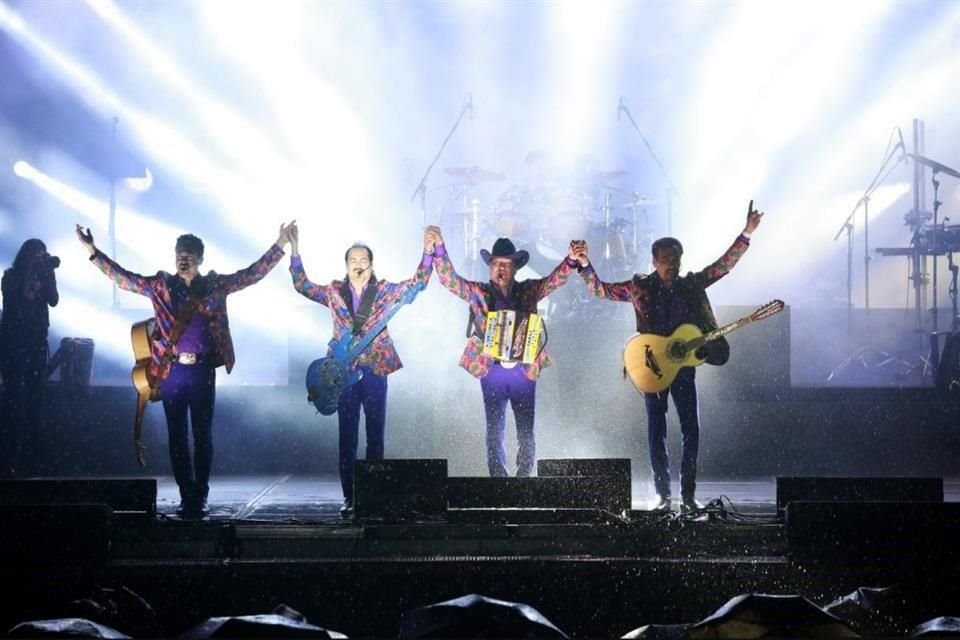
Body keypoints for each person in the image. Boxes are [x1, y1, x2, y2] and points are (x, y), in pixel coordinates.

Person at [76, 222, 294, 517]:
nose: (183, 259)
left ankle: (200, 493)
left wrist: (280, 244)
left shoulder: (215, 286)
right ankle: (185, 493)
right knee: (177, 435)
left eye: (189, 254)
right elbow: (123, 278)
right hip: (172, 373)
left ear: (200, 259)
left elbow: (251, 275)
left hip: (202, 371)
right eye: (179, 254)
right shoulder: (161, 286)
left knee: (203, 435)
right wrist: (91, 249)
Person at [573, 202, 764, 512]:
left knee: (691, 430)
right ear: (654, 261)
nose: (670, 265)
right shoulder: (639, 287)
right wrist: (583, 264)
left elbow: (722, 267)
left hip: (684, 369)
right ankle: (663, 495)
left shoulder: (690, 285)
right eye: (665, 260)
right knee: (656, 430)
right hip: (652, 369)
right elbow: (602, 291)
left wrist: (746, 234)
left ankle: (687, 496)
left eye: (675, 259)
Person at [288, 224, 434, 517]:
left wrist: (428, 253)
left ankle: (374, 495)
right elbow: (302, 285)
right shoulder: (332, 292)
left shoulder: (385, 291)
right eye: (352, 260)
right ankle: (350, 496)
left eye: (363, 259)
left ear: (371, 264)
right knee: (347, 436)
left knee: (375, 435)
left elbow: (418, 283)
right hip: (343, 372)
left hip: (375, 369)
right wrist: (294, 251)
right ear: (346, 265)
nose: (358, 264)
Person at [428, 224, 581, 477]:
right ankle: (498, 479)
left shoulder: (528, 290)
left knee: (525, 429)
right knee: (494, 427)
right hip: (492, 370)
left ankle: (523, 477)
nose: (501, 268)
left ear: (515, 268)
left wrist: (571, 260)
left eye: (507, 264)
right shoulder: (478, 292)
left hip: (522, 371)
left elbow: (554, 281)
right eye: (497, 263)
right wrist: (439, 250)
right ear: (490, 266)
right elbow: (449, 280)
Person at [0, 239, 60, 477]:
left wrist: (46, 276)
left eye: (43, 253)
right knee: (14, 400)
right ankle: (9, 459)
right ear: (25, 254)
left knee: (35, 401)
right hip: (13, 345)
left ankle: (31, 460)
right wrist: (33, 276)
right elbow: (22, 299)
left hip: (35, 345)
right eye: (37, 253)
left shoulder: (45, 275)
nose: (41, 256)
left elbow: (54, 300)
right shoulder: (10, 277)